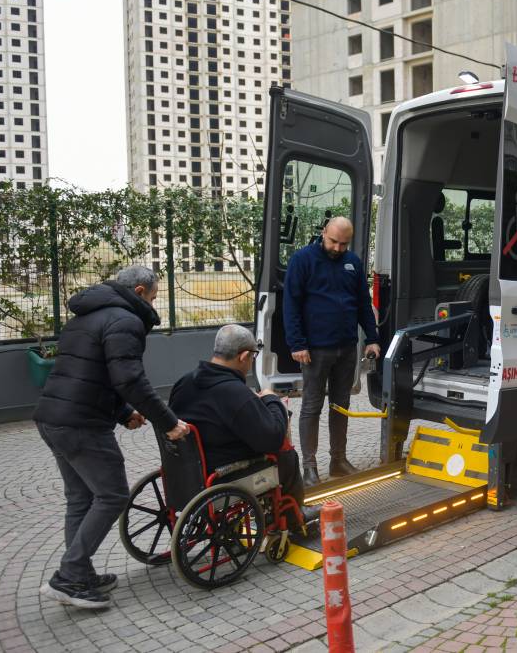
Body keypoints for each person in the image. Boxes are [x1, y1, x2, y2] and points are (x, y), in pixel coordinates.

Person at [34, 265, 189, 610]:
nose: (154, 302)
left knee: (80, 498)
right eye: (153, 295)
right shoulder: (125, 321)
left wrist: (123, 414)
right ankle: (70, 576)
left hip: (53, 418)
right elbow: (130, 380)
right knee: (113, 495)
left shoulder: (88, 315)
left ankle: (80, 573)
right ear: (138, 292)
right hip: (81, 424)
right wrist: (168, 422)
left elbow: (92, 372)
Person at [168, 324, 320, 522]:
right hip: (221, 473)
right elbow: (271, 438)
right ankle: (292, 516)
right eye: (253, 356)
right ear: (243, 356)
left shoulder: (183, 383)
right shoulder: (233, 392)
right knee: (286, 456)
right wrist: (271, 400)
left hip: (186, 470)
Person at [283, 216, 380, 487]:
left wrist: (372, 338)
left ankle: (338, 460)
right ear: (323, 232)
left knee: (341, 406)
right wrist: (297, 343)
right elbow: (292, 304)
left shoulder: (353, 263)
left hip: (346, 348)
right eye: (333, 241)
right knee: (312, 407)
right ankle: (309, 467)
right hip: (314, 350)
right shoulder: (303, 260)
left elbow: (363, 302)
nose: (337, 248)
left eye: (343, 244)